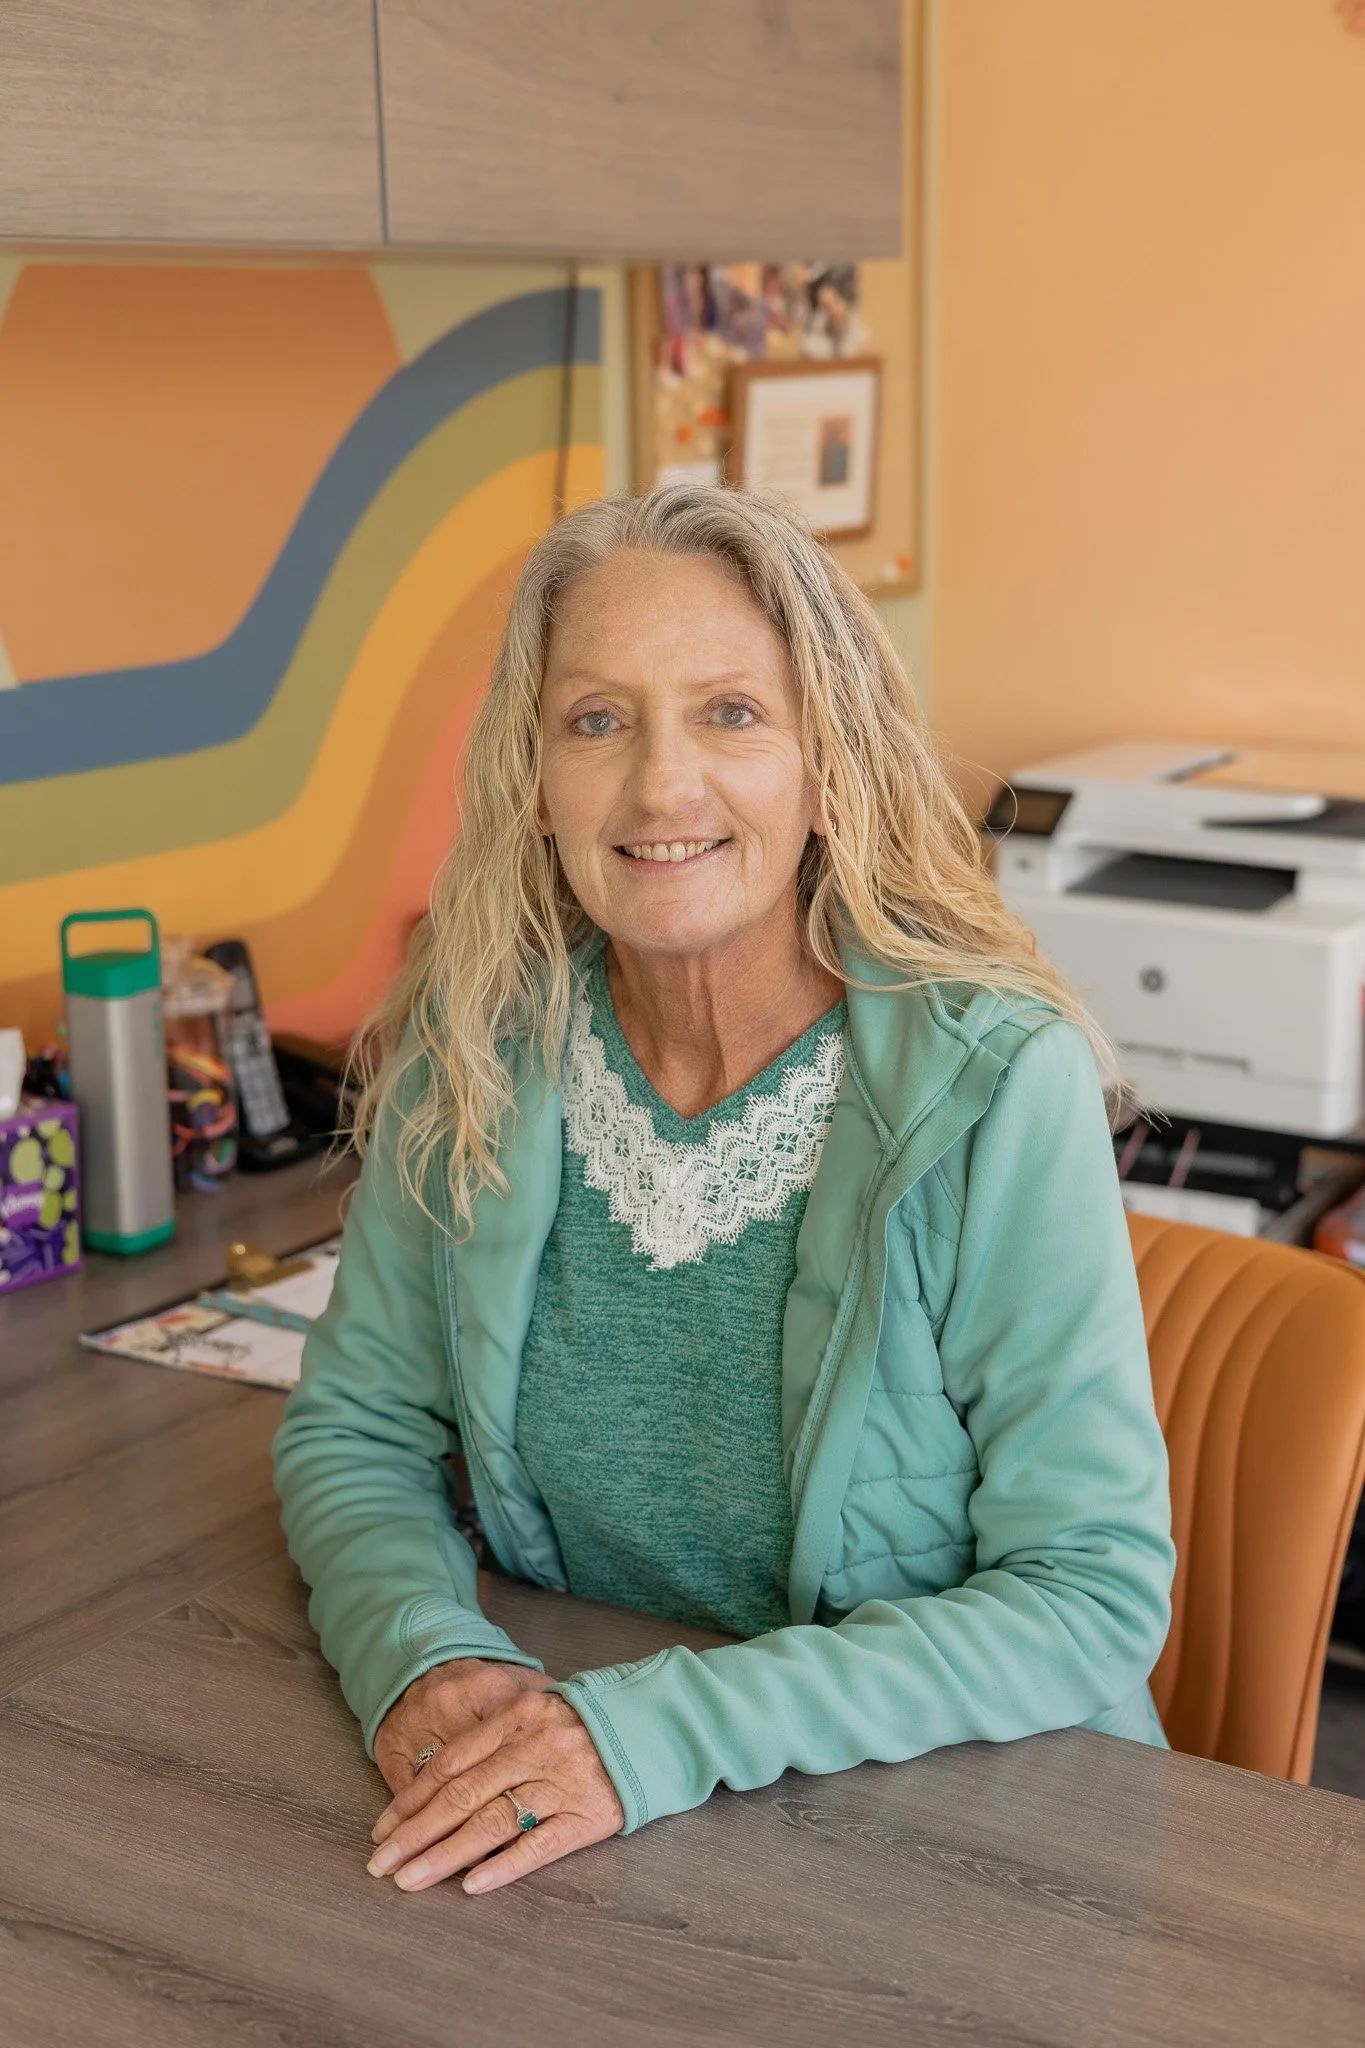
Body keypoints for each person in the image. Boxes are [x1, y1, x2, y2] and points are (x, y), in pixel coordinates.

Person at [274, 483, 1174, 1901]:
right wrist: (423, 1654)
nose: (659, 788)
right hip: (587, 1830)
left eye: (732, 713)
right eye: (598, 719)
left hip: (963, 1843)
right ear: (536, 769)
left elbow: (1091, 1595)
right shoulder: (474, 1047)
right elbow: (357, 1430)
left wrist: (653, 1730)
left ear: (829, 759)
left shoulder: (999, 1084)